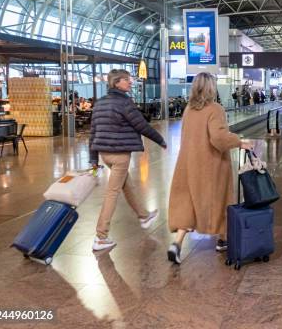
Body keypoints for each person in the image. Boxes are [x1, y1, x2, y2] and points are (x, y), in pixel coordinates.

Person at [167, 73, 253, 264]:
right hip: (211, 164)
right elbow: (218, 137)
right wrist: (240, 142)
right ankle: (222, 239)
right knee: (220, 199)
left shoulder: (189, 109)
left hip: (188, 162)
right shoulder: (215, 109)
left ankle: (177, 243)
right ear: (211, 88)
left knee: (188, 201)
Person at [89, 69, 167, 252]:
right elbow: (141, 125)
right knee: (112, 193)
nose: (131, 82)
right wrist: (161, 140)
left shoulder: (100, 103)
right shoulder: (124, 103)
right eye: (127, 80)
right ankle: (101, 236)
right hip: (120, 154)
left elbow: (92, 133)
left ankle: (143, 215)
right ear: (116, 83)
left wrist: (93, 159)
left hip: (105, 154)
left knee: (127, 185)